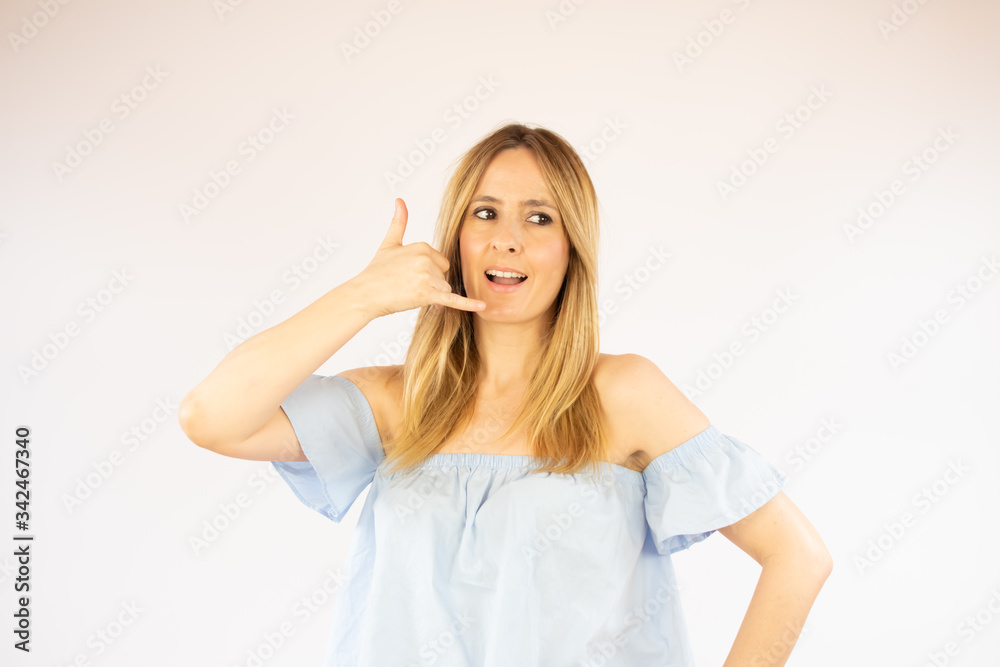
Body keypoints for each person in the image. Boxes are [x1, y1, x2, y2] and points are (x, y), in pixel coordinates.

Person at [179, 122, 832, 666]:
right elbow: (212, 416)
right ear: (456, 240)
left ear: (572, 249)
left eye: (539, 217)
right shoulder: (392, 404)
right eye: (485, 212)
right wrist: (363, 296)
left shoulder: (624, 393)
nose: (507, 237)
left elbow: (798, 556)